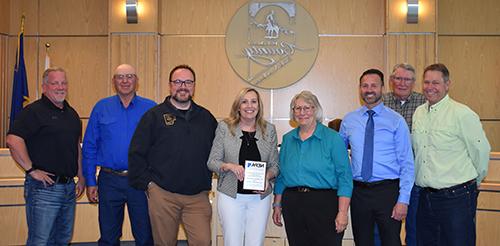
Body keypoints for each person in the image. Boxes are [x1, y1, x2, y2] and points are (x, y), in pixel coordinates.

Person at [128, 64, 217, 246]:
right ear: (170, 85)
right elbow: (136, 153)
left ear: (194, 86)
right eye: (178, 81)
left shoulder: (206, 118)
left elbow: (219, 152)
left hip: (197, 197)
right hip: (163, 195)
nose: (183, 86)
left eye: (188, 82)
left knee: (203, 241)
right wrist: (149, 185)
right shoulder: (154, 116)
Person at [412, 63, 490, 246]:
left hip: (457, 198)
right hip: (425, 196)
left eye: (436, 83)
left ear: (447, 85)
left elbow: (481, 151)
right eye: (426, 82)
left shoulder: (462, 113)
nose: (430, 87)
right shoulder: (419, 113)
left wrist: (473, 182)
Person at [6, 67, 85, 245]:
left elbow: (76, 147)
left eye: (63, 83)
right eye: (54, 83)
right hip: (43, 189)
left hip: (68, 188)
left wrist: (81, 176)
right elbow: (13, 140)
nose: (60, 87)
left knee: (62, 240)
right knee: (40, 241)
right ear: (44, 87)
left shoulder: (72, 115)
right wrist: (31, 170)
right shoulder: (33, 111)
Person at [82, 64, 155, 245]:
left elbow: (159, 146)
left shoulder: (150, 108)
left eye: (129, 76)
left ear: (136, 81)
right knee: (108, 236)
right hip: (109, 180)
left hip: (140, 181)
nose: (125, 81)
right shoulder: (101, 107)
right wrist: (90, 181)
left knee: (145, 235)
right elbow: (90, 146)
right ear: (114, 81)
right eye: (120, 77)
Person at [340, 69, 414, 246]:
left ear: (382, 87)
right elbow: (339, 158)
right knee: (362, 242)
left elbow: (407, 163)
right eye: (365, 86)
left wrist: (403, 200)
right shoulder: (349, 121)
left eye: (374, 85)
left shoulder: (396, 121)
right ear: (360, 89)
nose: (369, 89)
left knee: (390, 242)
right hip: (359, 193)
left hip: (388, 192)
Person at [272, 90, 353, 246]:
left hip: (325, 204)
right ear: (293, 112)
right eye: (297, 108)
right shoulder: (288, 139)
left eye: (307, 108)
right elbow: (282, 176)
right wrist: (277, 204)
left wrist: (343, 213)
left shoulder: (333, 138)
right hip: (293, 204)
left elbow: (345, 177)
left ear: (316, 110)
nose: (302, 112)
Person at [207, 87, 279, 246]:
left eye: (254, 102)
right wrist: (229, 166)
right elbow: (212, 161)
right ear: (238, 106)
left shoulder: (269, 130)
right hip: (231, 197)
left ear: (259, 106)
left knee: (255, 243)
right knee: (232, 242)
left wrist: (267, 176)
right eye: (244, 102)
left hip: (259, 199)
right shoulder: (225, 127)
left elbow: (275, 165)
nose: (249, 106)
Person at [382, 63, 426, 246]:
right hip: (387, 178)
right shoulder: (381, 102)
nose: (402, 83)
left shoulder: (424, 103)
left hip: (414, 177)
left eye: (407, 79)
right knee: (385, 230)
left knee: (415, 229)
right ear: (391, 81)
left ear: (414, 82)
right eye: (398, 78)